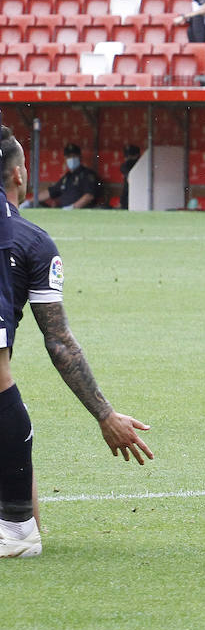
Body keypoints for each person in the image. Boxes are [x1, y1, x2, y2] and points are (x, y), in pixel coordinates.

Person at [0, 125, 154, 557]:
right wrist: (105, 415)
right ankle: (17, 530)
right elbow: (59, 341)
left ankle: (18, 527)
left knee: (10, 414)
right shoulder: (32, 241)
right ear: (18, 176)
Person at [33, 143, 99, 209]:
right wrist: (31, 201)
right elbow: (50, 192)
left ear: (79, 157)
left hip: (81, 213)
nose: (71, 159)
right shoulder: (67, 177)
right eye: (69, 156)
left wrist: (72, 207)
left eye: (74, 156)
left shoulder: (87, 174)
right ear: (65, 158)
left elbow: (89, 196)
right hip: (65, 213)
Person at [117, 144, 141, 210]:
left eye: (131, 156)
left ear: (136, 155)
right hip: (126, 199)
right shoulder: (126, 166)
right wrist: (121, 203)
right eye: (126, 156)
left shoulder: (141, 166)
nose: (127, 158)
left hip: (139, 199)